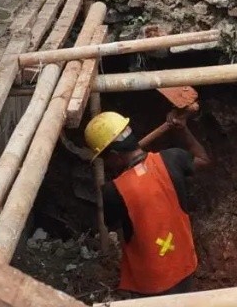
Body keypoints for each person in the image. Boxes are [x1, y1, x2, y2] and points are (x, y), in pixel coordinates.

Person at [84, 111, 211, 297]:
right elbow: (204, 159)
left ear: (113, 155)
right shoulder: (172, 159)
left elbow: (114, 226)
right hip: (184, 266)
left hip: (148, 282)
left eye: (105, 159)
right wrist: (183, 130)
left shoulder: (112, 191)